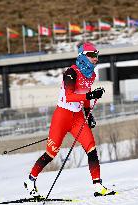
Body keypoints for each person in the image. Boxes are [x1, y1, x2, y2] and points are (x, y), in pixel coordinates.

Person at [24, 42, 116, 198]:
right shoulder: (70, 73)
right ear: (83, 57)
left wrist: (88, 113)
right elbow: (70, 96)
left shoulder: (91, 75)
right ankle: (30, 180)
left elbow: (85, 94)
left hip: (78, 117)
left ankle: (98, 186)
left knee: (91, 148)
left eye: (96, 56)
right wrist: (90, 95)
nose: (96, 59)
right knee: (51, 154)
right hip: (62, 116)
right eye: (92, 56)